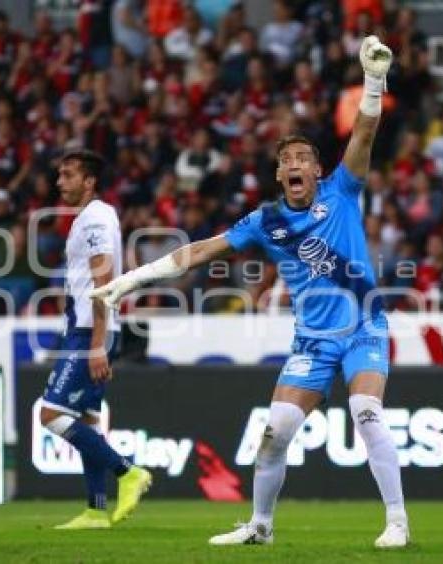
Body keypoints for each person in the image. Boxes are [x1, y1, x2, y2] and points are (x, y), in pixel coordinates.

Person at [91, 36, 409, 548]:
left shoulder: (342, 191)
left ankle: (396, 522)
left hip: (364, 325)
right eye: (289, 160)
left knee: (365, 412)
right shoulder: (265, 221)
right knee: (274, 433)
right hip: (313, 341)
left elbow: (365, 134)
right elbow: (197, 252)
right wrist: (129, 281)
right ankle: (260, 527)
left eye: (306, 158)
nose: (298, 165)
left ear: (318, 171)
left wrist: (374, 82)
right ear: (280, 174)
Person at [39, 149, 152, 529]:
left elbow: (105, 284)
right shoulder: (94, 217)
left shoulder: (94, 220)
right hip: (91, 328)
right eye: (60, 174)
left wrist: (97, 344)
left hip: (90, 331)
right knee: (86, 419)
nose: (60, 182)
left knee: (50, 414)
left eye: (68, 175)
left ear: (89, 181)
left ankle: (127, 473)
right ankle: (94, 510)